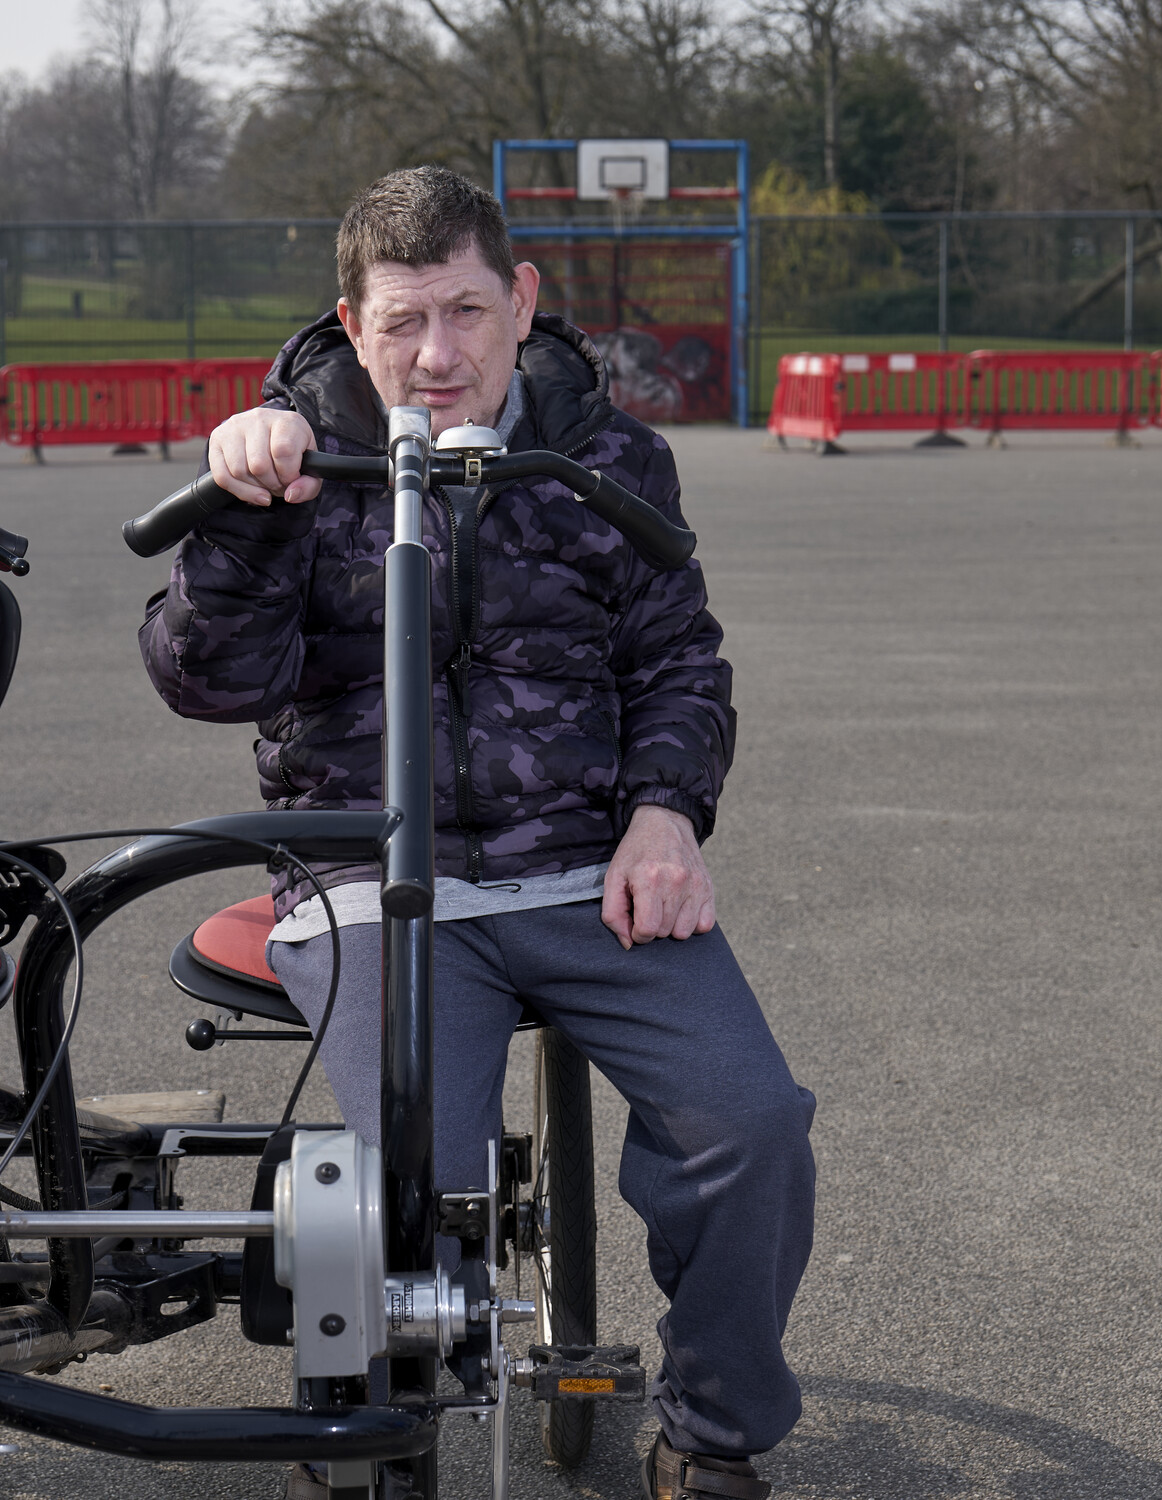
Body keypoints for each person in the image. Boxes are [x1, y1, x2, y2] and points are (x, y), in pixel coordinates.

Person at [138, 166, 815, 1500]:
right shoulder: (292, 459)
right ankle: (369, 1441)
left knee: (751, 1126)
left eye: (463, 311)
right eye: (401, 322)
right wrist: (237, 524)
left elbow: (681, 663)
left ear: (523, 301)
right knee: (395, 1196)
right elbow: (206, 682)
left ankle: (712, 1433)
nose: (436, 356)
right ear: (349, 323)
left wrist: (665, 815)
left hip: (587, 869)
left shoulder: (608, 458)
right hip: (368, 873)